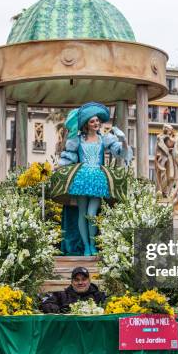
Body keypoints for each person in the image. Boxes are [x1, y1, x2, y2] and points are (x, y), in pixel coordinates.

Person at [54, 102, 132, 256]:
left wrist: (123, 139)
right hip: (82, 178)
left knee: (91, 213)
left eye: (97, 120)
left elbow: (121, 153)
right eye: (92, 121)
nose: (96, 123)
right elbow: (69, 157)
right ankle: (87, 247)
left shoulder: (105, 138)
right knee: (82, 212)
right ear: (86, 124)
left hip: (98, 179)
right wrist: (56, 167)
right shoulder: (78, 140)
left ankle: (93, 244)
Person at [41, 267, 106, 313]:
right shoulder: (62, 295)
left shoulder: (99, 295)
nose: (80, 283)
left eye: (83, 279)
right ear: (71, 282)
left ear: (89, 281)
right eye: (76, 280)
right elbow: (46, 304)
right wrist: (57, 309)